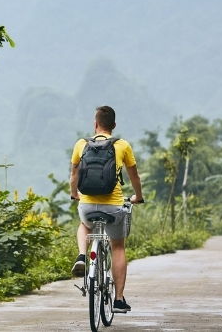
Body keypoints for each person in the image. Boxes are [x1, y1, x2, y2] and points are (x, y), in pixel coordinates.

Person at [70, 105, 143, 313]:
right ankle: (118, 300)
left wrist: (75, 194)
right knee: (117, 247)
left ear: (95, 124)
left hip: (87, 205)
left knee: (84, 225)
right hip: (113, 208)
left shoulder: (81, 144)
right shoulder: (122, 145)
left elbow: (74, 176)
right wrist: (138, 196)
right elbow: (134, 177)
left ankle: (83, 256)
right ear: (114, 125)